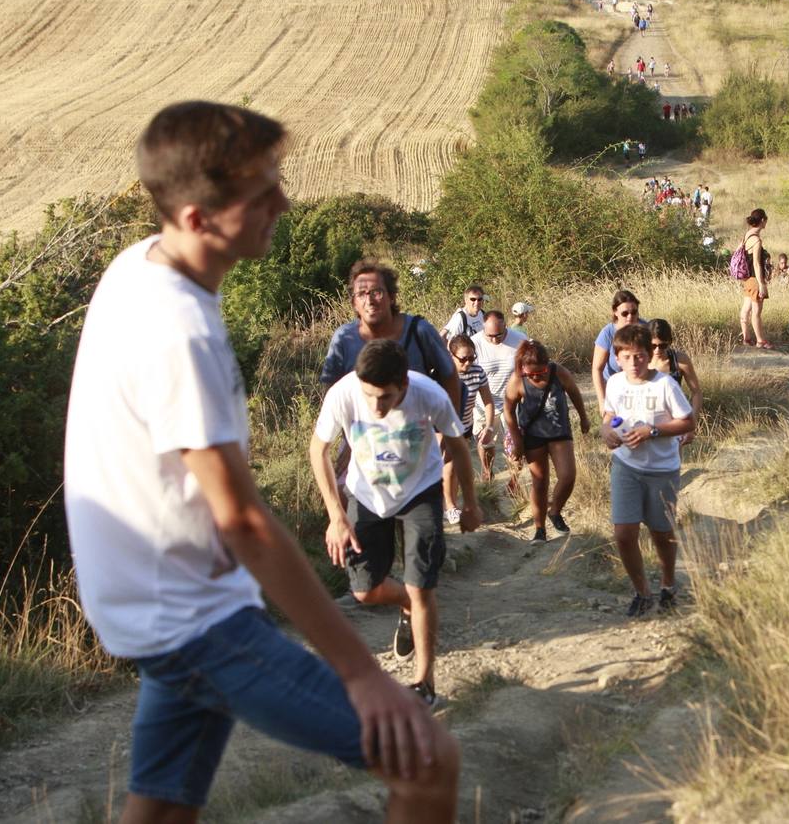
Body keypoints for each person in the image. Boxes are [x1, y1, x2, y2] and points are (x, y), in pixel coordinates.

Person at [64, 101, 458, 823]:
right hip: (195, 619)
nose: (283, 201)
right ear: (195, 217)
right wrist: (361, 673)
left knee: (159, 809)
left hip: (151, 604)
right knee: (429, 760)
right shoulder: (182, 332)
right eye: (261, 191)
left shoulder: (137, 270)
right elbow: (243, 520)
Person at [310, 341, 482, 708]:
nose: (377, 406)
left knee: (423, 588)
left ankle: (425, 682)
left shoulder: (428, 394)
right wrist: (335, 515)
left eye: (386, 397)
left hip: (420, 491)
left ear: (403, 384)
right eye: (371, 396)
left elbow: (459, 445)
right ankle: (407, 603)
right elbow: (318, 450)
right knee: (364, 591)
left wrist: (470, 502)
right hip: (366, 496)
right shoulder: (344, 394)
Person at [600, 324, 695, 617]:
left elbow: (687, 422)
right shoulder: (615, 383)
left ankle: (668, 584)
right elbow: (610, 415)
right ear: (617, 358)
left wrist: (652, 431)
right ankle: (642, 591)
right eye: (626, 357)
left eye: (639, 356)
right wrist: (608, 430)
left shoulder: (665, 384)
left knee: (661, 532)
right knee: (624, 533)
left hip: (662, 469)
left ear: (649, 355)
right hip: (626, 465)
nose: (633, 363)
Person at [321, 262, 459, 412]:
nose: (370, 301)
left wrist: (449, 430)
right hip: (362, 434)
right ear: (354, 303)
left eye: (376, 292)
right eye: (361, 294)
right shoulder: (344, 338)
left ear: (392, 297)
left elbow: (450, 374)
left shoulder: (419, 331)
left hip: (415, 432)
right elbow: (330, 387)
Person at [504, 340, 591, 543]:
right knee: (540, 482)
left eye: (540, 372)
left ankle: (555, 511)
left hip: (560, 431)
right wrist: (517, 440)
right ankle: (539, 529)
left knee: (568, 476)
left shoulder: (558, 372)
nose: (536, 376)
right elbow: (508, 410)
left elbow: (575, 393)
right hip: (533, 435)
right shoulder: (517, 379)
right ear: (523, 368)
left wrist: (584, 418)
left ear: (547, 364)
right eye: (531, 374)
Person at [473, 310, 526, 484]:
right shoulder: (475, 343)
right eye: (490, 336)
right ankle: (488, 472)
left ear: (505, 326)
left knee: (514, 445)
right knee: (485, 443)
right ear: (483, 328)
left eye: (499, 335)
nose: (495, 339)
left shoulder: (519, 340)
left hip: (512, 404)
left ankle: (514, 480)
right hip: (484, 403)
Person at [447, 334, 496, 494]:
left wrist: (488, 427)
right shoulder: (442, 373)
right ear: (451, 355)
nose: (468, 362)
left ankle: (454, 502)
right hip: (443, 428)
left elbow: (488, 400)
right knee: (449, 466)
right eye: (463, 359)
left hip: (465, 427)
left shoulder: (477, 372)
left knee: (458, 467)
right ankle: (449, 505)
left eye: (472, 358)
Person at [647, 319, 702, 446]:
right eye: (653, 346)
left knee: (673, 463)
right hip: (646, 421)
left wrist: (690, 424)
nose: (657, 350)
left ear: (670, 342)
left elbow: (696, 392)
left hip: (674, 423)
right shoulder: (640, 361)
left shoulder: (679, 360)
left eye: (662, 346)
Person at [591, 289, 645, 409]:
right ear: (615, 312)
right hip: (615, 389)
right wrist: (602, 401)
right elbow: (597, 369)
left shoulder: (646, 329)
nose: (630, 317)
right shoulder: (607, 333)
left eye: (634, 312)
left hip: (641, 386)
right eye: (625, 313)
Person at [738, 208, 773, 349]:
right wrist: (762, 284)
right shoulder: (756, 240)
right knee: (756, 312)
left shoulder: (747, 236)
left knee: (746, 308)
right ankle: (760, 341)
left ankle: (746, 338)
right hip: (754, 279)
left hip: (746, 279)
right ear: (763, 220)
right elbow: (757, 264)